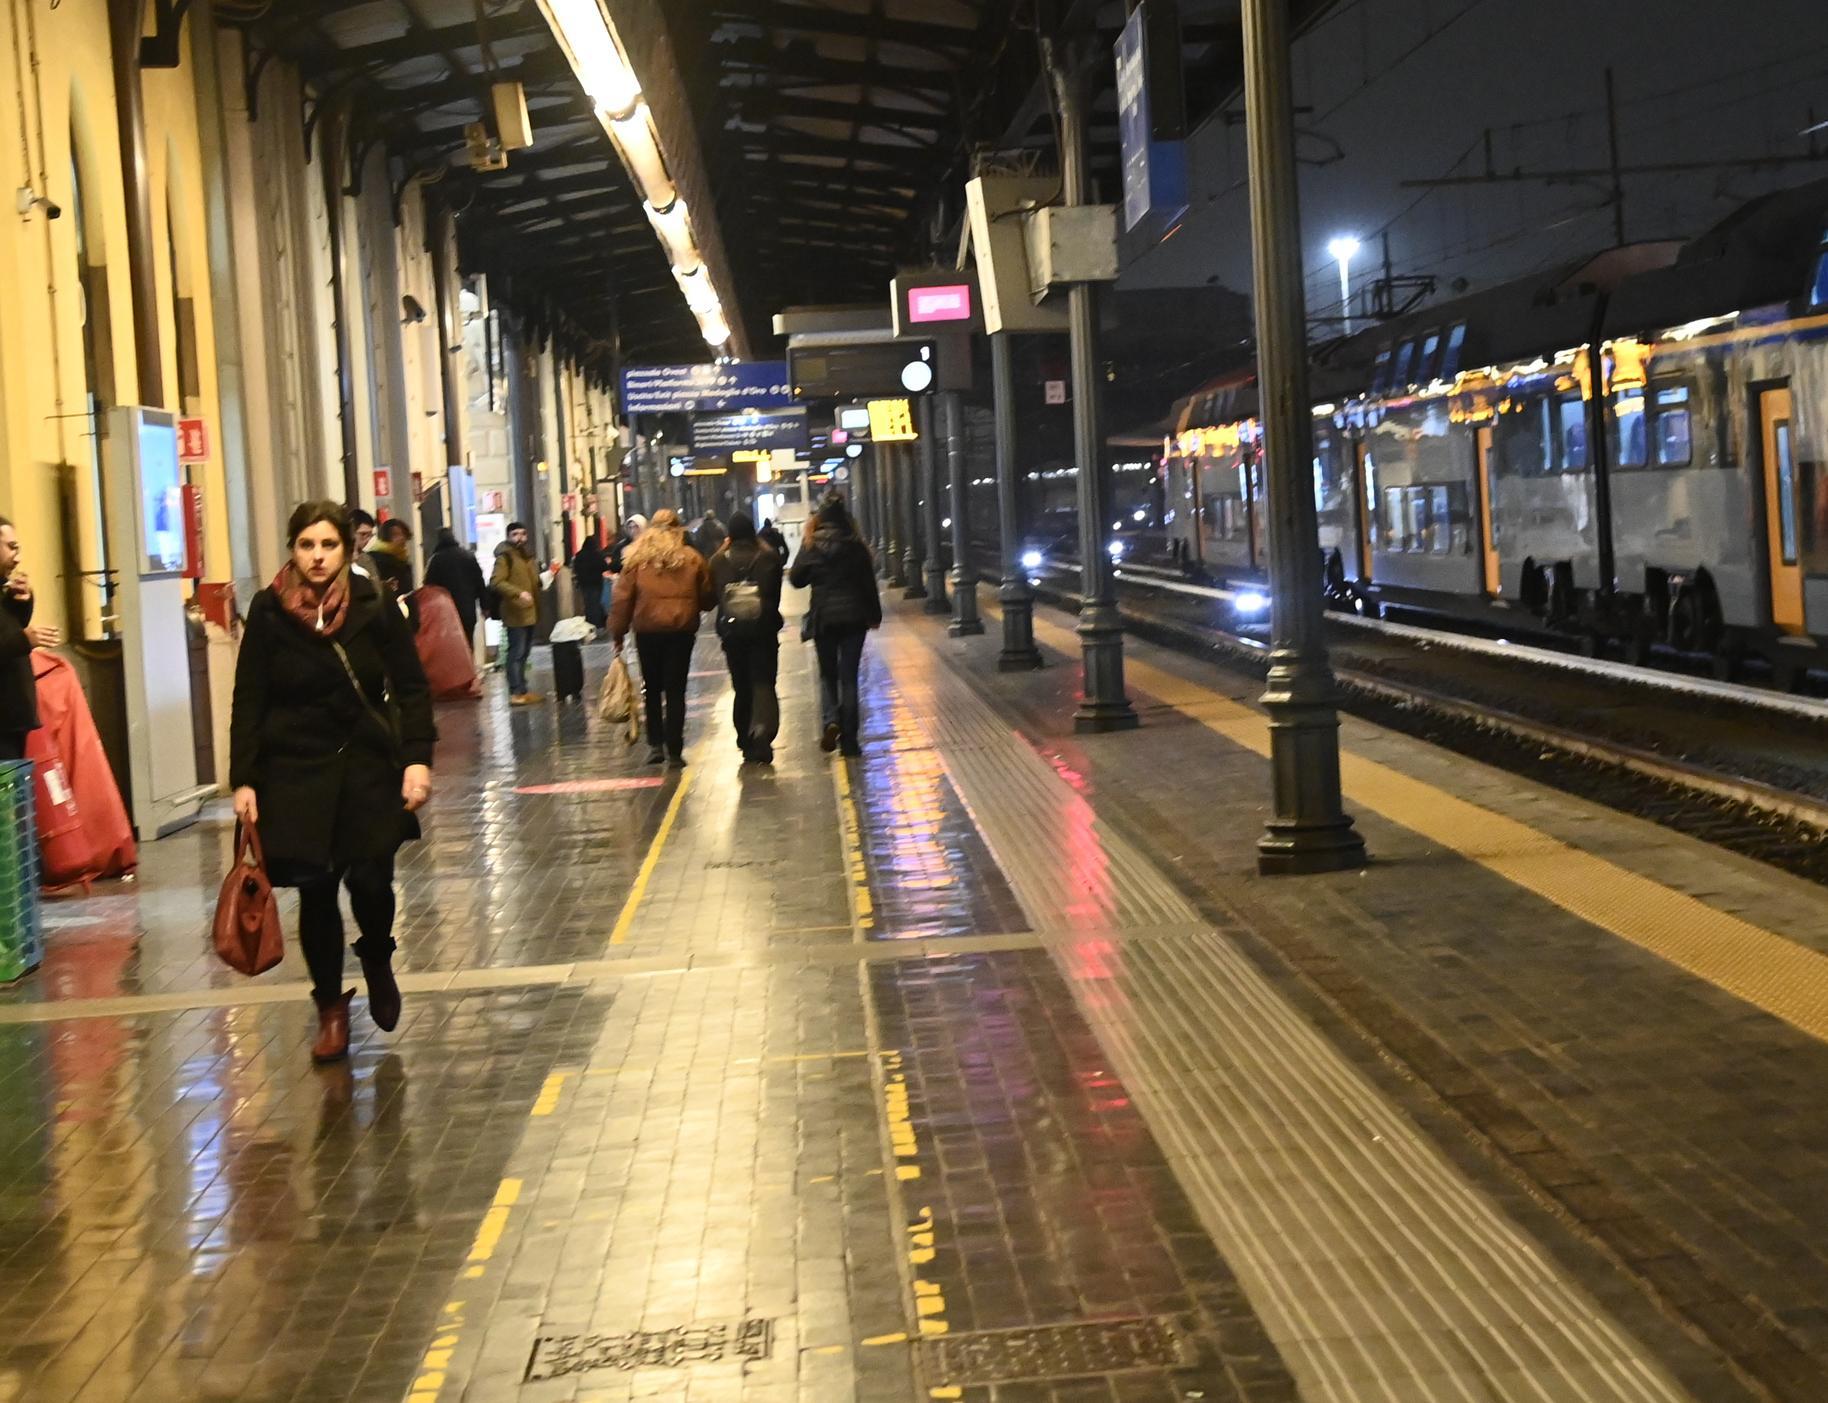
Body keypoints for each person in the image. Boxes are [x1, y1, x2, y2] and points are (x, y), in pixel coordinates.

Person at [229, 501, 436, 1064]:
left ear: (346, 549)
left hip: (367, 764)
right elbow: (250, 697)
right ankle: (329, 1008)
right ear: (292, 550)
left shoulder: (372, 604)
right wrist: (243, 780)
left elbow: (411, 685)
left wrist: (417, 758)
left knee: (371, 880)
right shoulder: (269, 611)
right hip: (294, 771)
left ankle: (376, 955)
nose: (317, 558)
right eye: (306, 546)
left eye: (328, 546)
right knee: (317, 891)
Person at [608, 508, 713, 767]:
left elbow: (622, 600)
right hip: (681, 632)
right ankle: (675, 750)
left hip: (648, 632)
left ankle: (655, 745)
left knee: (652, 689)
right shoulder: (692, 559)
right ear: (678, 530)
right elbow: (708, 598)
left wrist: (617, 633)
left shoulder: (636, 561)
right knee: (676, 690)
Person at [790, 494, 880, 758]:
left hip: (824, 618)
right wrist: (874, 615)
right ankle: (850, 741)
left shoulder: (811, 545)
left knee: (828, 675)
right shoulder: (856, 545)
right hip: (854, 619)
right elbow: (868, 585)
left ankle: (831, 720)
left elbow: (796, 579)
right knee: (849, 677)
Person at [708, 512, 784, 764]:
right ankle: (763, 732)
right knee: (763, 683)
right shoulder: (769, 558)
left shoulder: (718, 562)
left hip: (733, 635)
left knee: (741, 686)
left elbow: (714, 598)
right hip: (763, 634)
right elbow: (774, 598)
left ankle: (744, 738)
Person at [0, 517, 60, 760]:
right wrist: (24, 640)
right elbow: (12, 641)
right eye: (11, 547)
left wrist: (22, 602)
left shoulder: (5, 588)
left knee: (12, 794)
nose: (17, 557)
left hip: (13, 718)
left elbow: (10, 630)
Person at [490, 521, 543, 705]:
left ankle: (522, 689)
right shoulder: (505, 557)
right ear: (508, 536)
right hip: (515, 612)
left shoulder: (527, 556)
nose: (519, 538)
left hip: (530, 611)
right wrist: (518, 593)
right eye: (515, 534)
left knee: (524, 652)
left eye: (522, 534)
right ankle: (515, 692)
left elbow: (533, 581)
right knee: (516, 652)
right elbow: (496, 582)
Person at [422, 527, 487, 644]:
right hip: (468, 609)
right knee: (467, 643)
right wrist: (485, 605)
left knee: (452, 646)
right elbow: (479, 582)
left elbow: (429, 587)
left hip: (446, 612)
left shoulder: (436, 560)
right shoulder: (468, 556)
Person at [604, 514, 645, 637]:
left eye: (636, 527)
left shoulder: (650, 544)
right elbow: (613, 566)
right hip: (627, 585)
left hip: (645, 586)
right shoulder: (622, 546)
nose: (633, 531)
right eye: (630, 527)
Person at [572, 533, 609, 630]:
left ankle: (589, 624)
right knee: (596, 604)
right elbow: (604, 567)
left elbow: (575, 568)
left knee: (588, 604)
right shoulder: (597, 554)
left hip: (584, 584)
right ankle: (597, 625)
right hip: (596, 583)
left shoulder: (579, 555)